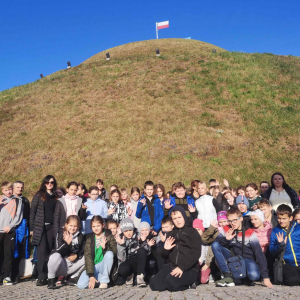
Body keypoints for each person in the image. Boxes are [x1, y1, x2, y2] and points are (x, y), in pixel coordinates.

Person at [212, 208, 273, 288]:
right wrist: (226, 240)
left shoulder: (249, 232)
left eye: (234, 220)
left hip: (247, 258)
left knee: (254, 275)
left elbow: (259, 253)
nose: (232, 223)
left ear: (241, 219)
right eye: (230, 221)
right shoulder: (227, 229)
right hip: (232, 257)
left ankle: (244, 277)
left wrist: (265, 277)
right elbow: (217, 244)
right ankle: (228, 276)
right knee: (215, 245)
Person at [150, 206, 202, 291]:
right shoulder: (171, 233)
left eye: (179, 217)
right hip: (173, 266)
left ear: (184, 217)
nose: (177, 220)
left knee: (171, 283)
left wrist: (182, 267)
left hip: (189, 268)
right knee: (154, 284)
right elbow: (164, 256)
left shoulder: (192, 232)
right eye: (174, 218)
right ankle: (172, 280)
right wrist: (166, 249)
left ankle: (190, 283)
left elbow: (196, 253)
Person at [30, 175, 57, 286]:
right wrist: (31, 228)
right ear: (44, 183)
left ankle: (47, 274)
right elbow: (32, 212)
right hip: (40, 227)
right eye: (47, 182)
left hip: (51, 227)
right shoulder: (39, 195)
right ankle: (41, 276)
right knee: (41, 252)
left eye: (51, 182)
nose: (49, 184)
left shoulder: (55, 196)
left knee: (49, 250)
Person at [77, 215, 116, 289]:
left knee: (109, 254)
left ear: (103, 225)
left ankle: (104, 281)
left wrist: (105, 248)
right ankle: (99, 280)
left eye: (98, 226)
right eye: (94, 226)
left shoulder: (108, 235)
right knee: (81, 285)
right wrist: (91, 276)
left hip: (104, 265)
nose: (96, 228)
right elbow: (88, 257)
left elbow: (114, 252)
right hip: (94, 266)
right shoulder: (89, 239)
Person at [47, 215, 85, 289]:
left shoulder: (80, 236)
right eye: (70, 225)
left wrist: (77, 255)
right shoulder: (61, 233)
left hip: (73, 264)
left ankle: (73, 277)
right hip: (62, 264)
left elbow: (83, 249)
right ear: (66, 225)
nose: (72, 228)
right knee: (54, 256)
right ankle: (51, 279)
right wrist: (67, 244)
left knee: (88, 257)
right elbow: (58, 250)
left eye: (75, 226)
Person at [269, 204, 300, 286]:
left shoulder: (298, 228)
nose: (281, 221)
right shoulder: (276, 231)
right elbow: (272, 251)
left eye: (284, 218)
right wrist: (280, 245)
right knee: (293, 281)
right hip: (287, 263)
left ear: (290, 218)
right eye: (279, 218)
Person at [0, 181, 23, 286]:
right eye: (6, 190)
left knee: (8, 254)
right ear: (2, 190)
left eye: (9, 189)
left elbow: (19, 216)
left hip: (10, 231)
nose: (8, 192)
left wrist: (10, 226)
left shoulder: (17, 201)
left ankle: (6, 276)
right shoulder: (0, 199)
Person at [115, 218, 150, 287]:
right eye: (126, 231)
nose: (128, 233)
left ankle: (140, 277)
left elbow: (148, 252)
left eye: (130, 230)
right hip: (128, 262)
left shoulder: (139, 235)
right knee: (122, 269)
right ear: (122, 231)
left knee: (141, 250)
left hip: (138, 262)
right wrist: (121, 245)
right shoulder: (120, 239)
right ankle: (129, 277)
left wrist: (142, 242)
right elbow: (121, 259)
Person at [11, 181, 30, 284]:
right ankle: (6, 274)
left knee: (19, 252)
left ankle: (15, 275)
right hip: (11, 228)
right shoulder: (10, 199)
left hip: (23, 228)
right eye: (18, 187)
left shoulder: (25, 200)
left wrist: (30, 228)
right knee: (10, 252)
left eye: (22, 187)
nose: (20, 189)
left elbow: (28, 215)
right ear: (13, 188)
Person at [193, 219, 214, 284]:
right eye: (195, 230)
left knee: (203, 280)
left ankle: (209, 274)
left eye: (198, 230)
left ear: (202, 230)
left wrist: (207, 264)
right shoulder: (191, 241)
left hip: (204, 264)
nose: (197, 232)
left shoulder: (207, 241)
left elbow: (211, 254)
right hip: (194, 265)